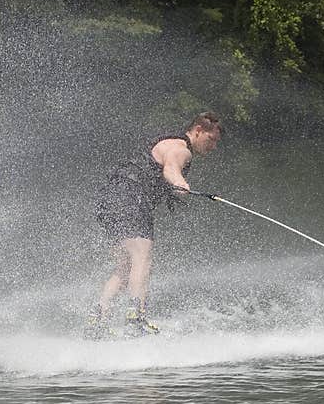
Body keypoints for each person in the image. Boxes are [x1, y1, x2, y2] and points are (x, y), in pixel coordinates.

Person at [85, 112, 223, 338]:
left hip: (110, 200)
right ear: (198, 130)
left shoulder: (169, 142)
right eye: (212, 139)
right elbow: (170, 169)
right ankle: (136, 319)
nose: (214, 146)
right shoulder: (182, 149)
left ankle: (96, 320)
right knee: (142, 258)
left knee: (125, 267)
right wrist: (180, 182)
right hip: (130, 198)